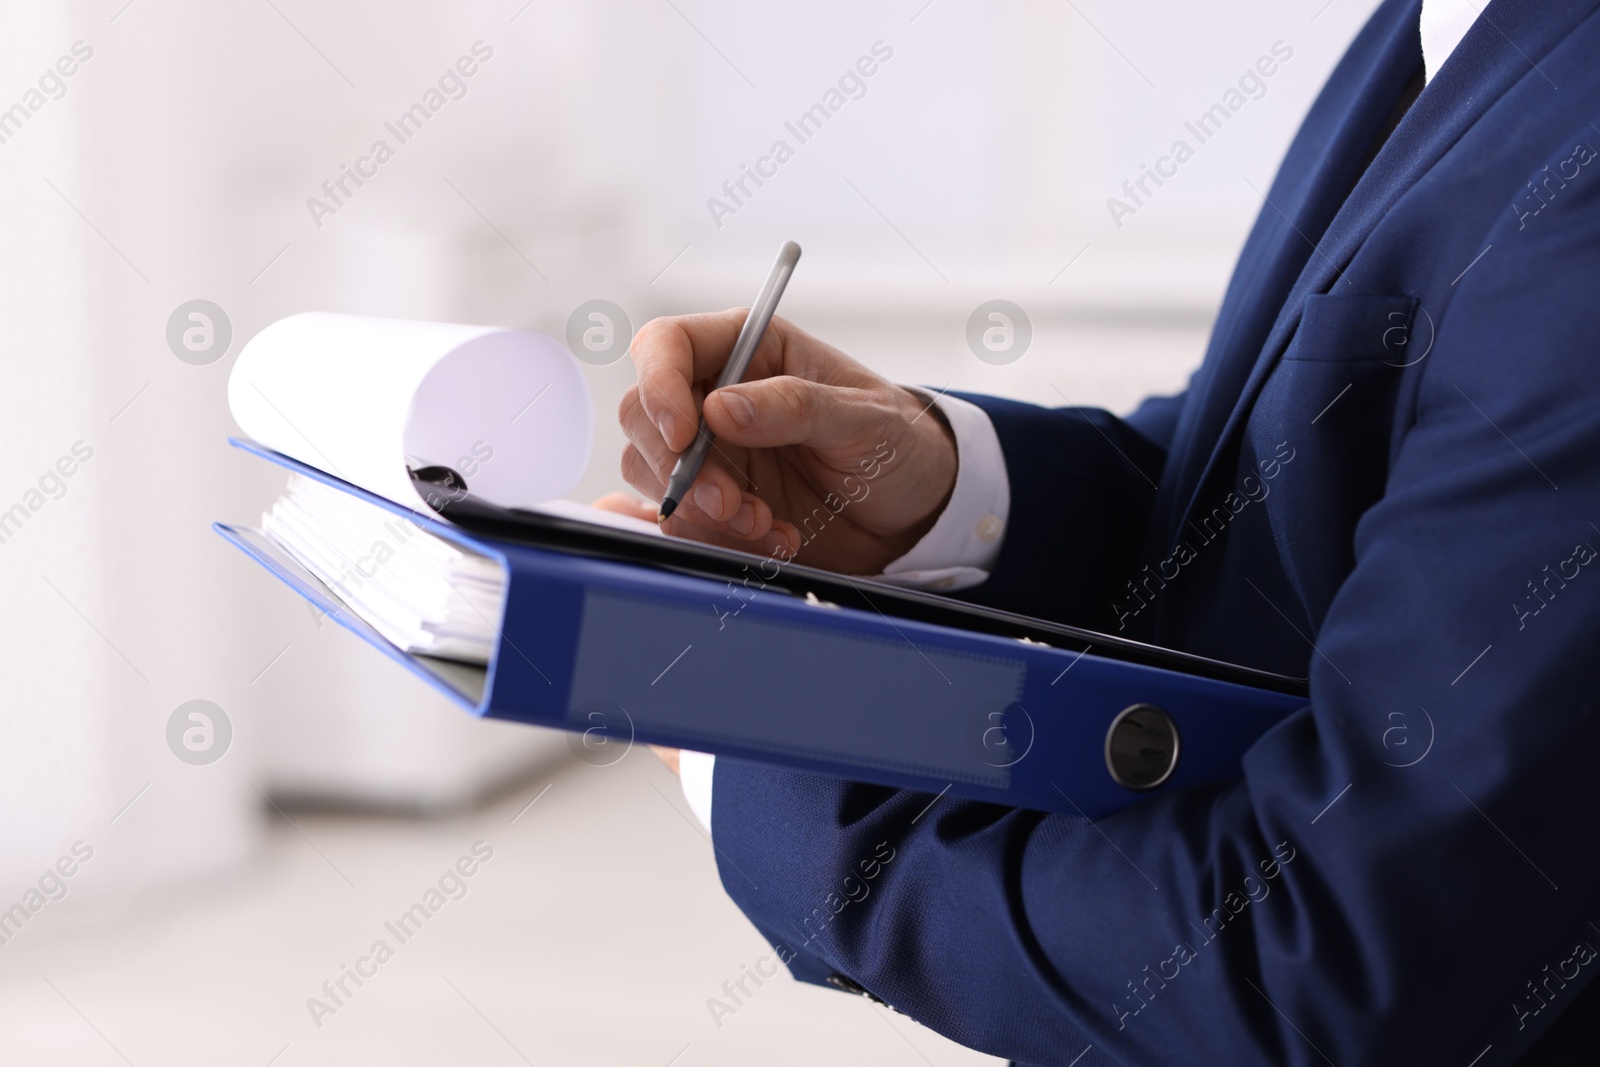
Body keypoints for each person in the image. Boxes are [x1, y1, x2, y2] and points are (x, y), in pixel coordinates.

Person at [604, 0, 1600, 1062]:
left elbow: (1328, 960)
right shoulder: (1435, 27)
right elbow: (1279, 468)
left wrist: (765, 771)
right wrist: (947, 491)